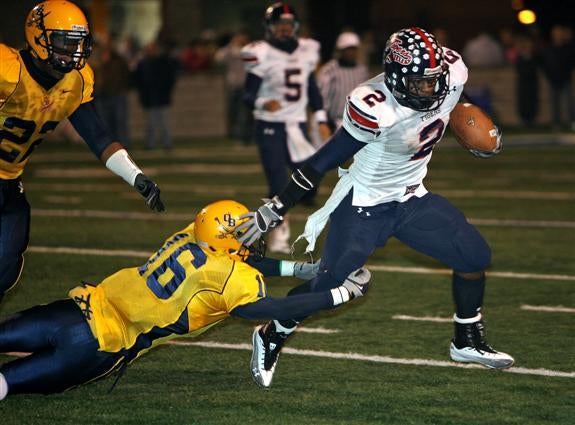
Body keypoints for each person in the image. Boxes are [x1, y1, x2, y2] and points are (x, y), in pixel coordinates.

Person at [238, 27, 514, 388]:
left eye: (434, 81)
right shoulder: (373, 106)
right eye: (420, 84)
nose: (431, 90)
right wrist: (276, 207)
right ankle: (272, 333)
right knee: (329, 285)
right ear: (397, 79)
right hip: (364, 204)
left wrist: (467, 121)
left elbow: (453, 102)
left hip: (412, 197)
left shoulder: (453, 73)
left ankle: (466, 339)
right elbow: (320, 162)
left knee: (474, 257)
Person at [0, 200, 370, 398]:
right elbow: (279, 309)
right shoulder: (230, 279)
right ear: (226, 241)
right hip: (102, 344)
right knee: (5, 384)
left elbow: (237, 254)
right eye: (241, 233)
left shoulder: (194, 232)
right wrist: (339, 294)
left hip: (78, 308)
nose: (249, 237)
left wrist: (296, 270)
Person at [0, 1, 164, 303]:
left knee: (5, 267)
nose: (73, 51)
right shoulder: (6, 68)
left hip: (10, 179)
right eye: (65, 42)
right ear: (38, 36)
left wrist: (136, 177)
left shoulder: (76, 81)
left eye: (78, 43)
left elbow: (98, 136)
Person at [241, 2, 332, 254]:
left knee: (311, 180)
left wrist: (322, 118)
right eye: (278, 25)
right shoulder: (261, 53)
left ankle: (278, 216)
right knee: (277, 182)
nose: (283, 30)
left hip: (297, 126)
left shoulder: (307, 50)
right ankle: (277, 233)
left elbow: (312, 89)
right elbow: (247, 94)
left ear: (295, 27)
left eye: (288, 25)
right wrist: (261, 102)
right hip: (270, 126)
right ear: (269, 27)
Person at [133, 40, 179, 150]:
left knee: (164, 123)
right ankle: (151, 144)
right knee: (150, 124)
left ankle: (167, 143)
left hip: (161, 97)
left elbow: (170, 78)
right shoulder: (143, 63)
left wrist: (167, 90)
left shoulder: (163, 62)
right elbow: (138, 80)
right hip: (150, 98)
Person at [318, 31, 369, 130]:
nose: (351, 53)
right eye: (348, 49)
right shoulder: (329, 70)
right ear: (340, 50)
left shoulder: (362, 70)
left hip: (357, 123)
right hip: (333, 121)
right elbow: (322, 97)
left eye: (354, 49)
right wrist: (324, 120)